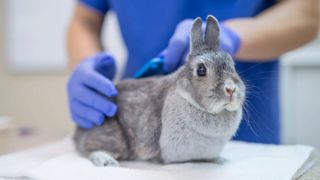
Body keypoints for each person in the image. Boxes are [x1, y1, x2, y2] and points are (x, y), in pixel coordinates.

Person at [67, 0, 319, 144]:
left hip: (246, 140)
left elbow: (306, 13)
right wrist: (89, 66)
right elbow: (84, 21)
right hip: (143, 128)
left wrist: (233, 38)